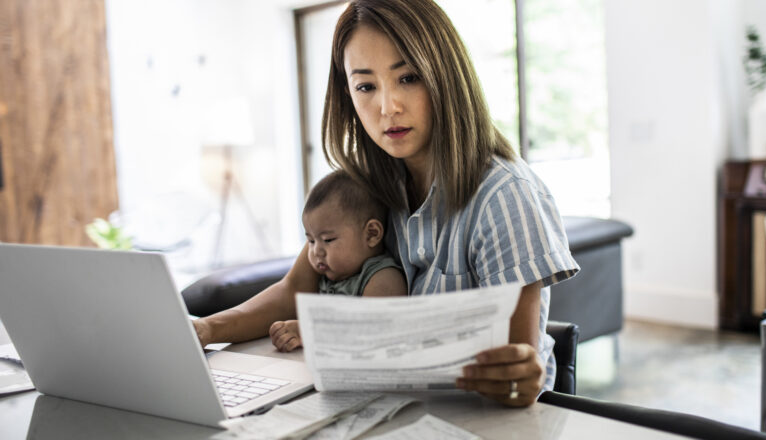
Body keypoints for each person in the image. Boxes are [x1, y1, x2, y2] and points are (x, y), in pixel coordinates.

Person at [194, 0, 578, 407]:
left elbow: (518, 376)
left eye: (408, 77)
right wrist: (203, 329)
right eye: (366, 86)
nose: (387, 107)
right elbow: (295, 288)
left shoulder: (506, 196)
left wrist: (519, 372)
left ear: (445, 76)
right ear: (349, 94)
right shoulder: (364, 186)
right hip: (383, 405)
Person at [267, 169, 407, 352]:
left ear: (372, 234)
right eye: (310, 240)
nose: (317, 251)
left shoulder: (382, 277)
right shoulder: (327, 277)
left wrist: (309, 331)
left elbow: (374, 331)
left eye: (328, 240)